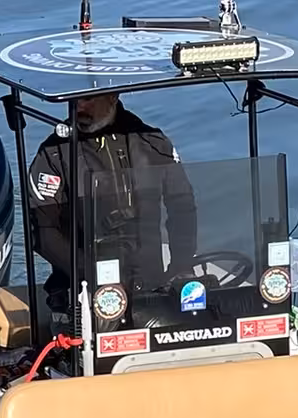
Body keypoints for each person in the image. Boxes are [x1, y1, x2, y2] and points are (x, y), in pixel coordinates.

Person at [26, 92, 197, 314]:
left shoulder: (153, 142)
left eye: (87, 99)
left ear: (112, 97)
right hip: (84, 290)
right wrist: (88, 274)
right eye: (73, 99)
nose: (78, 106)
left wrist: (181, 266)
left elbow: (182, 207)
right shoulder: (54, 153)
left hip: (151, 286)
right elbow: (41, 230)